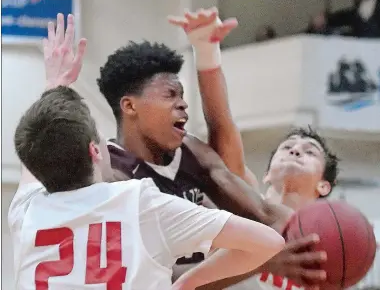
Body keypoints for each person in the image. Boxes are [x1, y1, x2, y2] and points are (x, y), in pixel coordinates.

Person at [45, 12, 328, 289]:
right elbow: (163, 277)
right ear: (130, 106)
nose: (182, 104)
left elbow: (261, 211)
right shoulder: (110, 176)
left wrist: (320, 241)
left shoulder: (190, 151)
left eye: (182, 94)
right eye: (170, 95)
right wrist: (262, 260)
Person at [9, 83, 285, 289]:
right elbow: (268, 242)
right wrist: (186, 284)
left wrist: (54, 84)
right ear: (94, 150)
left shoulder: (25, 211)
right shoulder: (139, 202)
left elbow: (35, 155)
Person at [182, 127, 339, 290]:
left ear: (324, 186)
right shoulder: (240, 205)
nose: (295, 150)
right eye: (287, 147)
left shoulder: (323, 246)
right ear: (267, 174)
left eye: (310, 152)